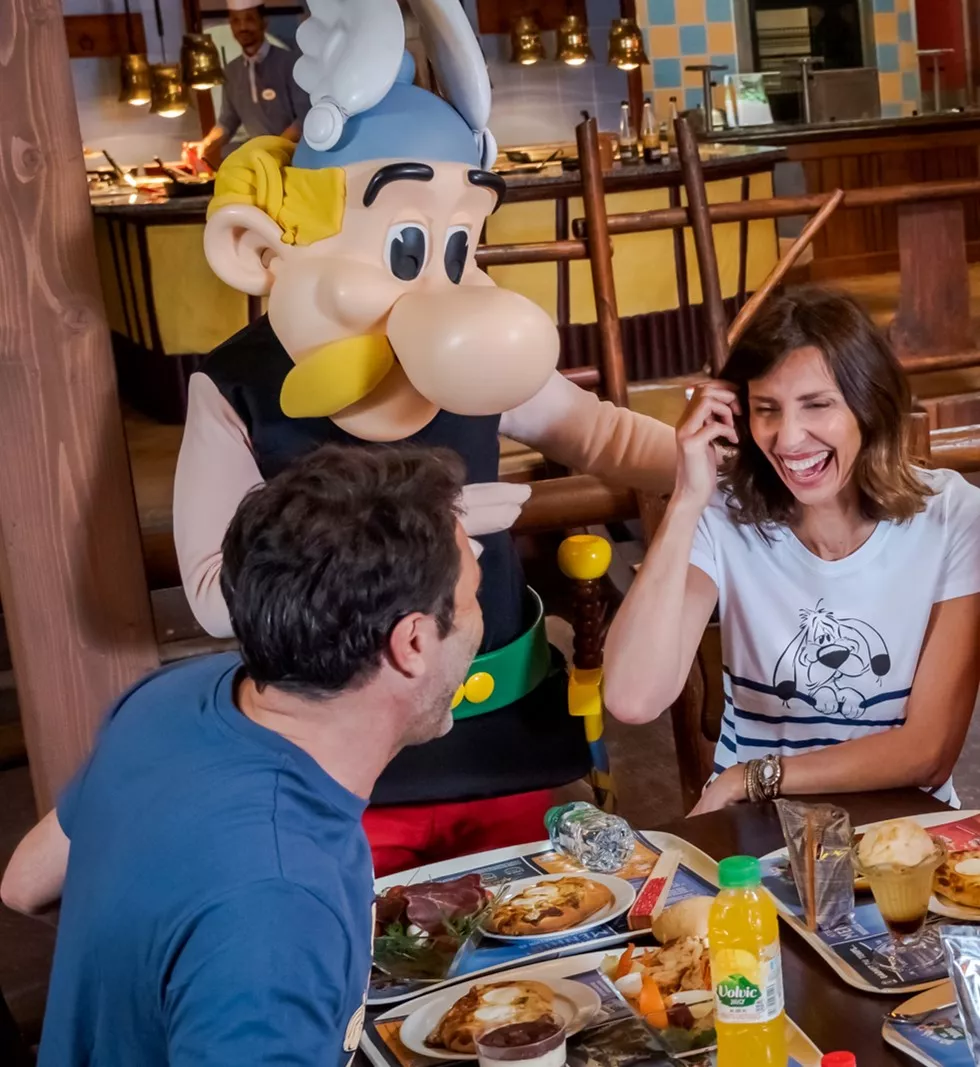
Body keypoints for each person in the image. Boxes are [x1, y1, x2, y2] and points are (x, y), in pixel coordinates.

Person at [180, 0, 678, 876]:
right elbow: (217, 594)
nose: (442, 287)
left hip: (509, 736)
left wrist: (734, 461)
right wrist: (414, 529)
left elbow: (601, 432)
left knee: (555, 935)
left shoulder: (471, 350)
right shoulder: (237, 385)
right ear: (263, 249)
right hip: (344, 766)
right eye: (408, 248)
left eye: (459, 248)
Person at [1, 444, 482, 1066]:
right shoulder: (277, 910)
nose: (479, 620)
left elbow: (25, 884)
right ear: (412, 642)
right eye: (471, 597)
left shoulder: (171, 696)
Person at [604, 287, 980, 813]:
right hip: (759, 826)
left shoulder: (954, 516)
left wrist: (751, 778)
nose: (788, 439)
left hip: (900, 823)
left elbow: (928, 754)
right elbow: (632, 699)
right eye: (767, 409)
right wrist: (689, 497)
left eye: (817, 405)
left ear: (869, 403)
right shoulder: (722, 512)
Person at [190, 1, 309, 169]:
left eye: (249, 19)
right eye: (236, 21)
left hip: (296, 160)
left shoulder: (290, 63)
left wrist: (273, 149)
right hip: (262, 163)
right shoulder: (231, 71)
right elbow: (227, 122)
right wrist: (206, 144)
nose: (242, 27)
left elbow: (304, 119)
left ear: (264, 22)